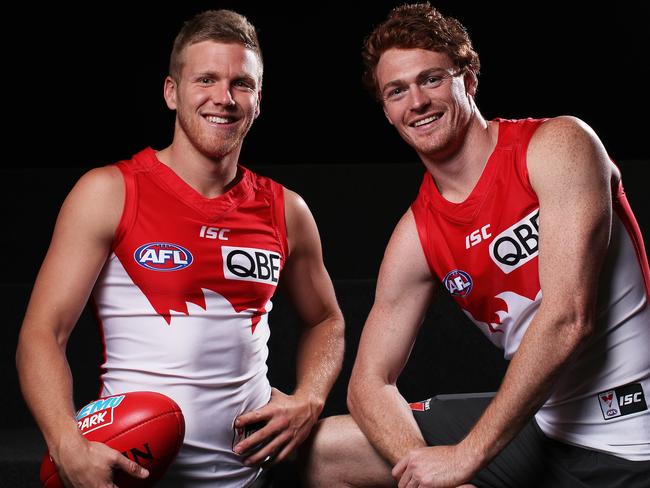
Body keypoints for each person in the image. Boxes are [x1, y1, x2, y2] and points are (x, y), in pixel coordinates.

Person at [304, 3, 650, 487]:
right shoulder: (416, 234)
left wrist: (465, 456)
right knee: (324, 453)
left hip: (630, 435)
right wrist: (434, 475)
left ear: (467, 80)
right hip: (541, 427)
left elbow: (568, 318)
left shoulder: (557, 146)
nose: (416, 102)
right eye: (397, 91)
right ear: (386, 110)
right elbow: (368, 385)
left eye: (431, 79)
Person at [16, 9, 344, 488]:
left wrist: (310, 398)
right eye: (206, 79)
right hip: (133, 474)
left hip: (250, 478)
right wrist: (67, 443)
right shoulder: (110, 192)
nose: (224, 99)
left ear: (258, 100)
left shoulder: (286, 209)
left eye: (242, 84)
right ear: (172, 92)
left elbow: (326, 320)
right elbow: (42, 334)